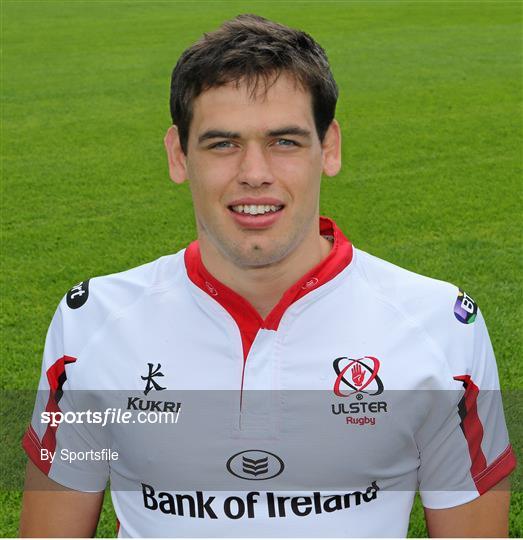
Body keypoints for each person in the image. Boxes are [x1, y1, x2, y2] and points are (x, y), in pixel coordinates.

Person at [20, 14, 516, 537]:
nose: (254, 173)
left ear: (329, 149)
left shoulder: (439, 326)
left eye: (284, 142)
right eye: (222, 144)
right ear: (178, 155)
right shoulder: (93, 324)